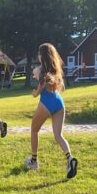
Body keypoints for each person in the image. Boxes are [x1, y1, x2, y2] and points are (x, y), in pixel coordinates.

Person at [24, 43, 78, 179]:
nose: (38, 55)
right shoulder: (56, 71)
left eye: (39, 53)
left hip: (46, 102)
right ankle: (70, 158)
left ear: (42, 56)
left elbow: (39, 89)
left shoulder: (39, 70)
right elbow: (61, 87)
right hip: (59, 103)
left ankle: (34, 161)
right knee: (59, 135)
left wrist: (35, 93)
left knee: (34, 130)